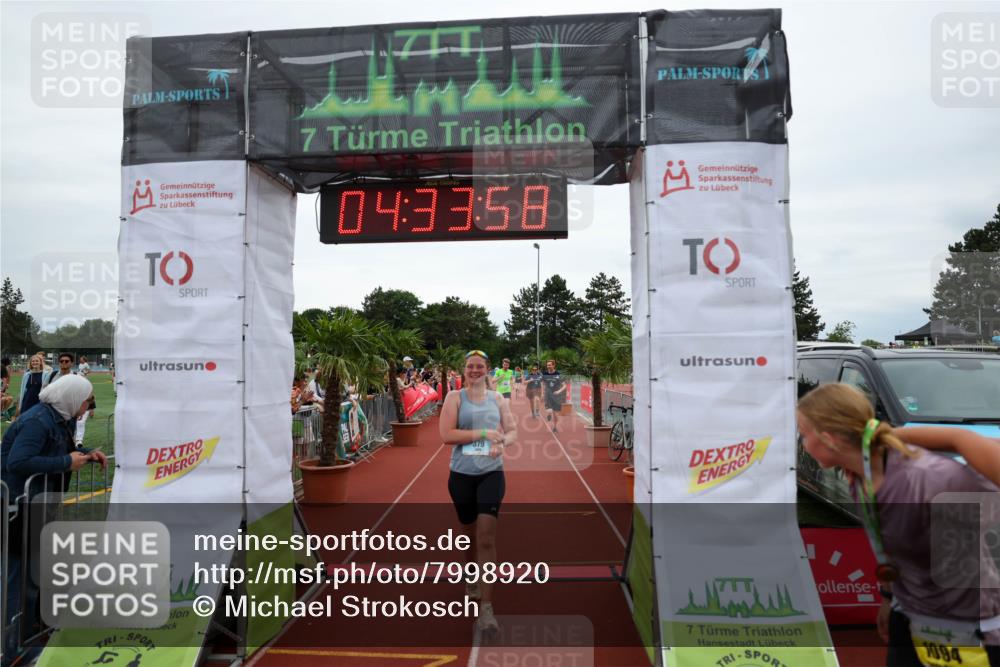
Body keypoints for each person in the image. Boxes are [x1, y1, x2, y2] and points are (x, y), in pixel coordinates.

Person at [797, 383, 1000, 666]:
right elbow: (890, 547)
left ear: (828, 438)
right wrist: (887, 598)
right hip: (910, 618)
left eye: (804, 434)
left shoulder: (930, 479)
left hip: (973, 629)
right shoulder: (860, 478)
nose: (802, 444)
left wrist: (955, 437)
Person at [2, 374, 107, 666]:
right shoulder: (38, 421)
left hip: (37, 504)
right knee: (17, 578)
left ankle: (30, 631)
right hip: (19, 505)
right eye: (87, 401)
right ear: (72, 398)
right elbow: (18, 462)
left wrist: (86, 454)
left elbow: (59, 449)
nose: (88, 407)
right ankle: (13, 648)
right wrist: (66, 462)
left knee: (33, 574)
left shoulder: (58, 418)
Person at [438, 350, 517, 635]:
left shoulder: (497, 399)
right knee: (469, 534)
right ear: (464, 370)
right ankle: (471, 573)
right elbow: (446, 435)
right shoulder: (454, 397)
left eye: (479, 366)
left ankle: (486, 608)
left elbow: (512, 431)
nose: (474, 370)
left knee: (486, 537)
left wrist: (502, 443)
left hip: (491, 473)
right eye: (470, 366)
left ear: (487, 370)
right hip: (461, 475)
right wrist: (484, 435)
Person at [45, 352, 96, 446]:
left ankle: (72, 447)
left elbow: (88, 392)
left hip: (71, 410)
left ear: (71, 363)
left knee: (69, 434)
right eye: (61, 361)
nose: (64, 363)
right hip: (53, 410)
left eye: (66, 361)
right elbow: (44, 391)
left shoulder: (78, 376)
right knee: (53, 433)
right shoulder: (52, 376)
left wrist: (89, 408)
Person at [14, 354, 47, 420]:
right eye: (33, 361)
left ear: (40, 362)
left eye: (37, 361)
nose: (35, 362)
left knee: (37, 419)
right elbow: (23, 389)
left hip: (39, 400)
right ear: (31, 363)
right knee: (25, 419)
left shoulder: (46, 374)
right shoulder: (27, 375)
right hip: (27, 400)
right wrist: (20, 403)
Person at [541, 359, 566, 432]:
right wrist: (542, 393)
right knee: (549, 410)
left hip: (556, 396)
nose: (548, 366)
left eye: (550, 365)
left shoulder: (558, 374)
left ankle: (555, 427)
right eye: (547, 365)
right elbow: (542, 384)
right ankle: (549, 414)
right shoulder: (545, 374)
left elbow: (564, 385)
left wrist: (558, 391)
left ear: (553, 365)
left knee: (555, 414)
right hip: (548, 395)